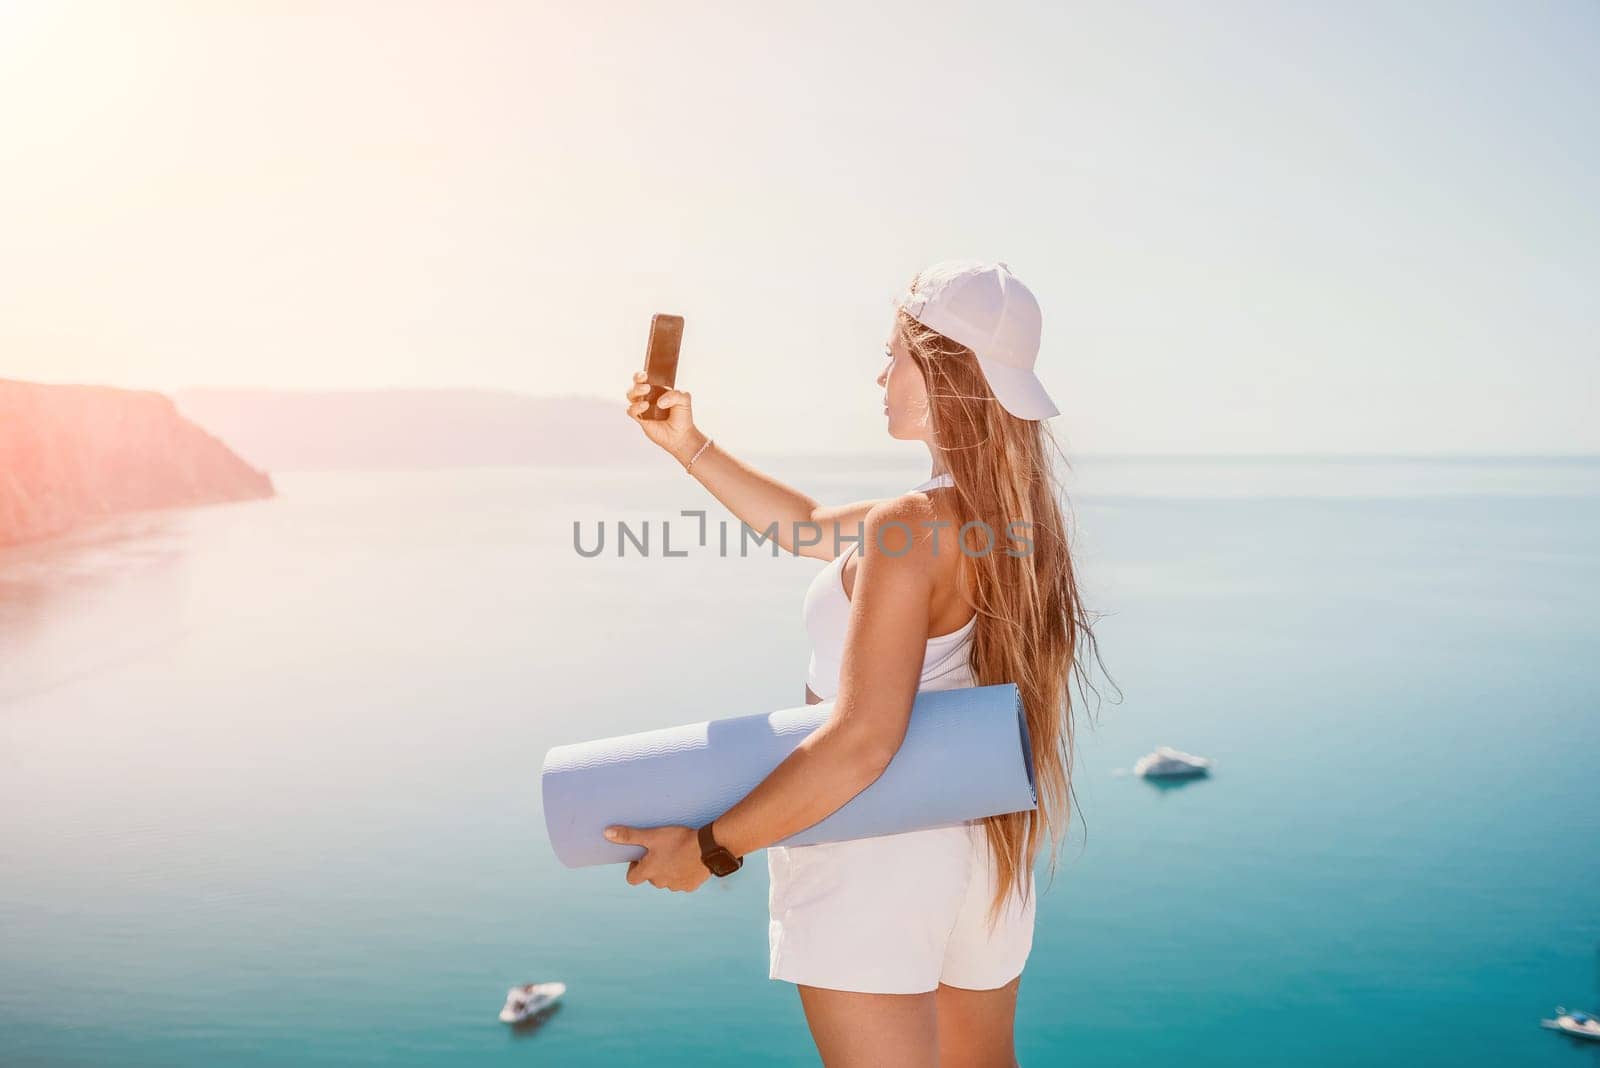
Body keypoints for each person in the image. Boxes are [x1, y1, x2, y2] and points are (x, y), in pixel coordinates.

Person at [609, 260, 1110, 1066]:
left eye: (895, 355)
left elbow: (864, 740)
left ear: (945, 371)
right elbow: (807, 526)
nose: (880, 374)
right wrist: (688, 445)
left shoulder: (912, 522)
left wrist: (709, 849)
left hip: (878, 859)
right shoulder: (1009, 524)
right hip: (986, 857)